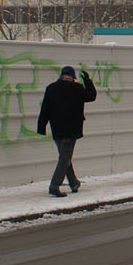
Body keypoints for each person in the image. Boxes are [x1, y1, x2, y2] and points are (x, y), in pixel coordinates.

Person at [36, 65, 97, 197]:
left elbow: (45, 109)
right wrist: (88, 81)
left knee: (65, 157)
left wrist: (41, 126)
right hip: (71, 130)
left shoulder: (51, 88)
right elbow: (91, 96)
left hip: (57, 130)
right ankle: (54, 185)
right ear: (72, 77)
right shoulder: (77, 88)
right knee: (65, 158)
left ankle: (74, 183)